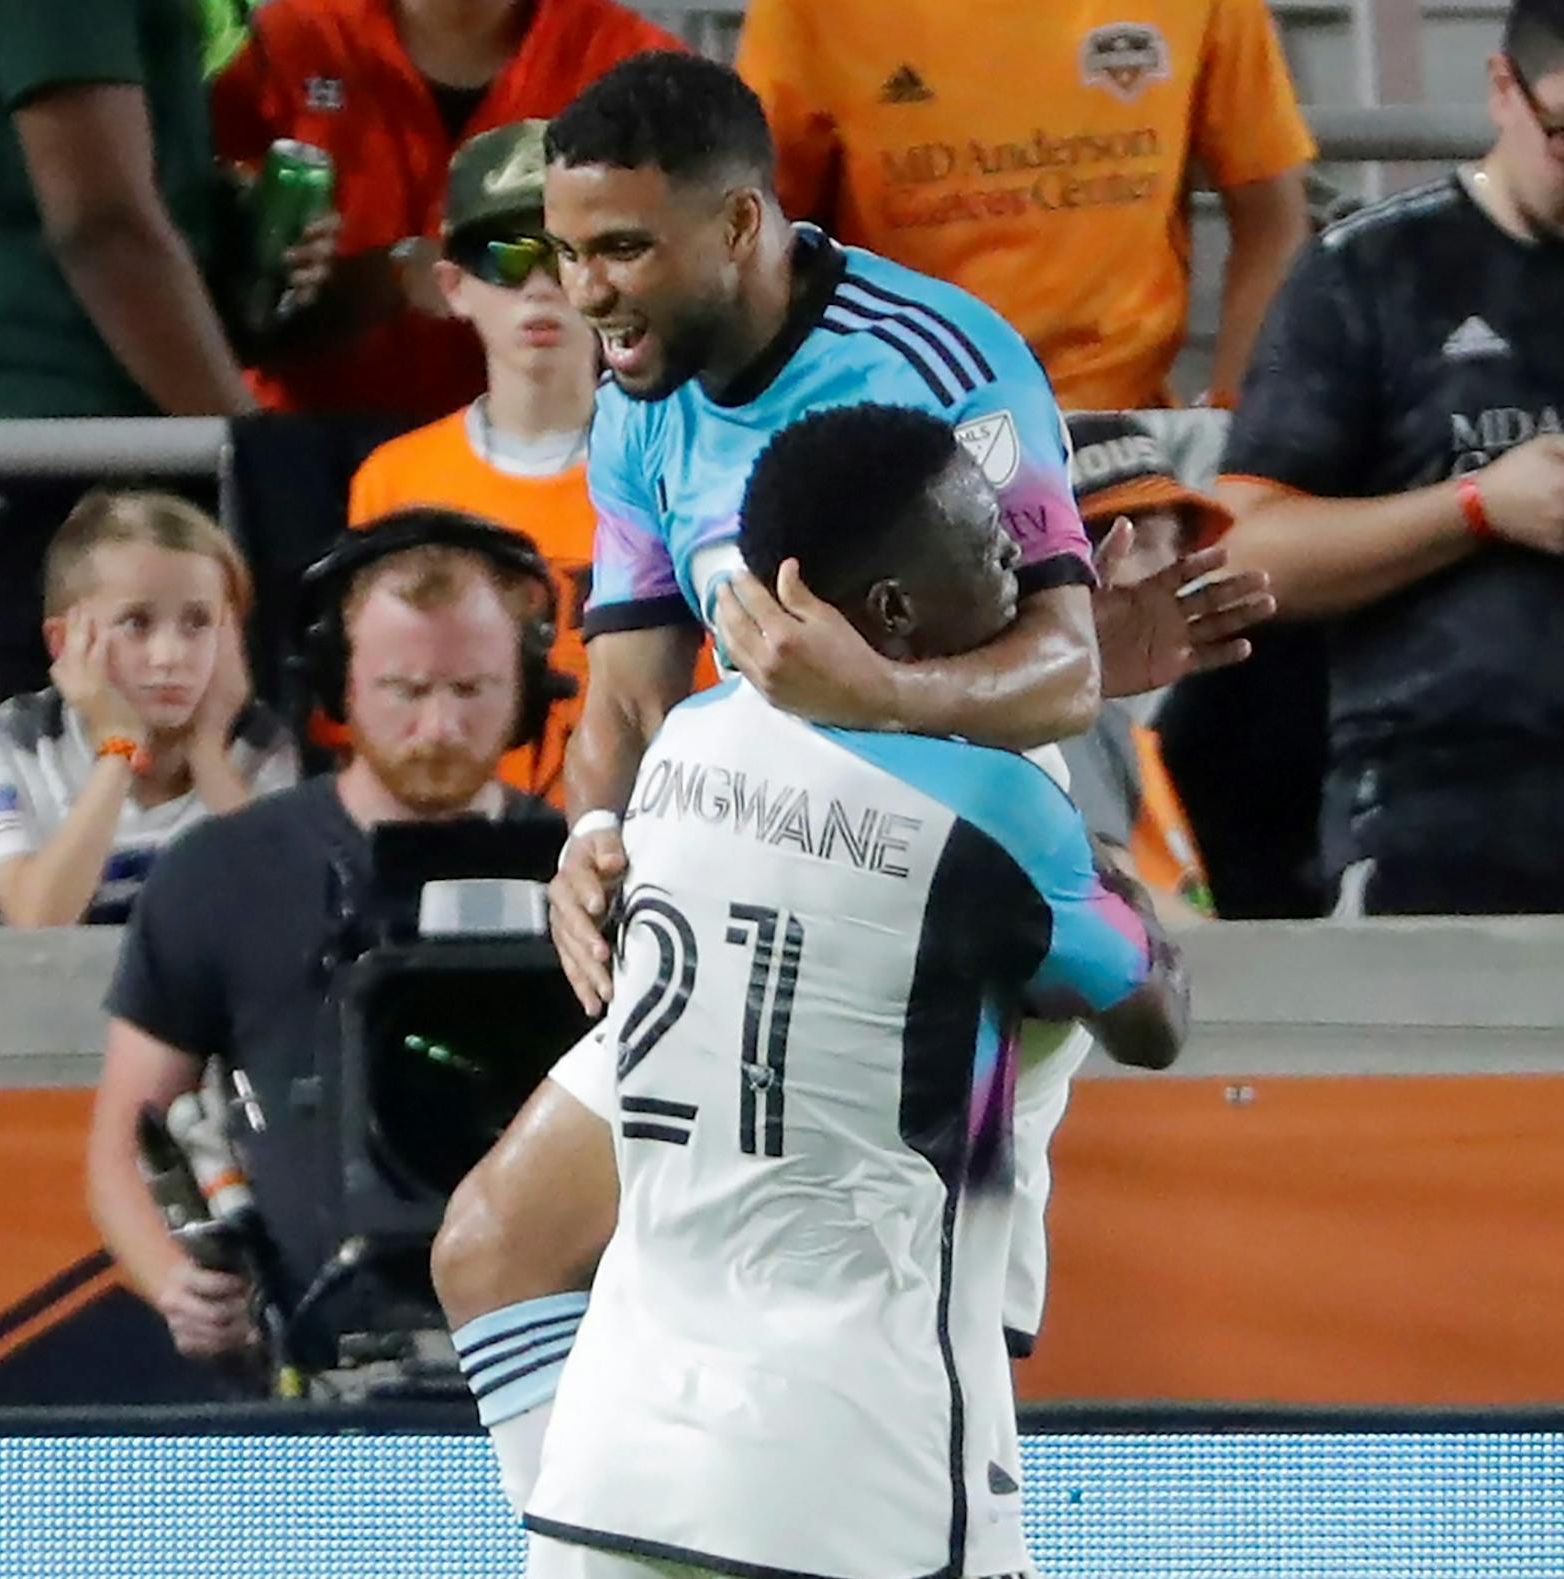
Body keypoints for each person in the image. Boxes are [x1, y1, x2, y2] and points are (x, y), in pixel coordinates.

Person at [429, 54, 1263, 1511]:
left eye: (622, 249)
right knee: (493, 1244)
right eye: (563, 250)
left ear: (741, 224)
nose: (584, 292)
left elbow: (1063, 672)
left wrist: (870, 699)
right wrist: (595, 834)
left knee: (906, 1319)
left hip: (946, 875)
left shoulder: (942, 361)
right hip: (742, 871)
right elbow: (627, 685)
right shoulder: (637, 401)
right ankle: (610, 1543)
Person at [519, 403, 1188, 1579]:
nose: (1025, 566)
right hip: (848, 1471)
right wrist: (1074, 755)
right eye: (988, 547)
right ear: (894, 611)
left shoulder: (687, 743)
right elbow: (1152, 1016)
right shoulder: (994, 812)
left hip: (616, 1453)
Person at [1216, 0, 1564, 915]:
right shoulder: (1367, 272)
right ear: (1503, 90)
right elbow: (1243, 554)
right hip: (1441, 803)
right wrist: (1477, 508)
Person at [87, 510, 563, 1359]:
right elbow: (128, 1135)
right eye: (406, 691)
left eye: (471, 690)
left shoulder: (591, 872)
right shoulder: (222, 873)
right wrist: (175, 1281)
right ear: (340, 685)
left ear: (525, 687)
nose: (440, 727)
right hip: (317, 1355)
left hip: (554, 1349)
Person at [0, 0, 256, 709]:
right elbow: (101, 224)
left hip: (68, 411)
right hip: (74, 421)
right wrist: (248, 447)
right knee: (94, 752)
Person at [348, 119, 711, 801]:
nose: (541, 287)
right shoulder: (394, 481)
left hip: (658, 821)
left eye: (568, 255)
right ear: (452, 284)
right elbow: (367, 713)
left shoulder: (684, 460)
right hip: (454, 827)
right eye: (506, 258)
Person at [733, 0, 1314, 411]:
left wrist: (1233, 421)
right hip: (906, 427)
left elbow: (1272, 219)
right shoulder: (813, 13)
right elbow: (753, 239)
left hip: (1121, 433)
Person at [208, 0, 679, 420]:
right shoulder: (292, 39)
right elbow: (211, 287)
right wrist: (356, 279)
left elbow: (694, 284)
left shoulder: (634, 64)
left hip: (562, 444)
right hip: (309, 434)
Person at [0, 492, 299, 927]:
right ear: (65, 642)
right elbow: (39, 921)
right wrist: (118, 751)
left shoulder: (260, 743)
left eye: (197, 622)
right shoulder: (12, 741)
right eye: (137, 623)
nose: (170, 655)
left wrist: (209, 753)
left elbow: (287, 911)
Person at [1061, 411, 1226, 917]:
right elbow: (1105, 896)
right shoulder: (1064, 718)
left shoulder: (1135, 723)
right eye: (1135, 544)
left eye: (1171, 541)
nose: (1165, 568)